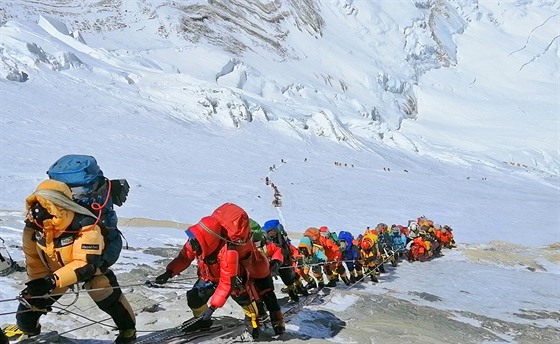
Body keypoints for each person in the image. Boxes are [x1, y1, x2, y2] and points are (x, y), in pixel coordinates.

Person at [12, 180, 136, 343]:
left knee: (110, 301)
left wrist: (51, 281)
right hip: (55, 274)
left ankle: (128, 332)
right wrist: (37, 283)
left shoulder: (86, 225)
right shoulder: (34, 229)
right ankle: (32, 335)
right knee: (27, 312)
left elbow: (85, 264)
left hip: (89, 271)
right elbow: (34, 259)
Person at [156, 207, 284, 338]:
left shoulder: (228, 253)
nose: (191, 242)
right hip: (209, 277)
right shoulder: (196, 241)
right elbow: (184, 257)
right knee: (194, 298)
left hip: (235, 280)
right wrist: (169, 273)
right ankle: (202, 321)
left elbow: (227, 283)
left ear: (206, 240)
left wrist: (212, 308)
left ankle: (256, 323)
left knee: (247, 302)